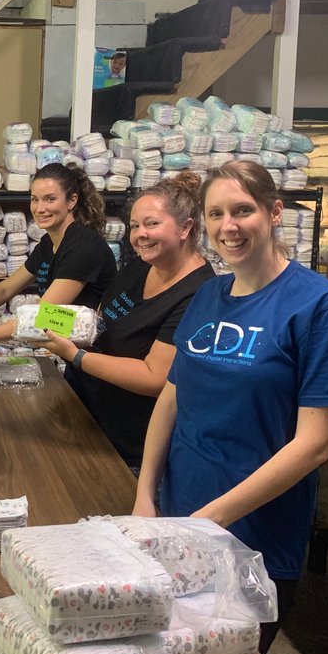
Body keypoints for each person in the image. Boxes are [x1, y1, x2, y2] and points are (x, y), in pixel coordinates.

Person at [134, 162, 328, 654]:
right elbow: (173, 397)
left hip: (254, 537)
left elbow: (315, 444)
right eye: (216, 214)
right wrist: (146, 496)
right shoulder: (209, 294)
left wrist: (206, 522)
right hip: (178, 514)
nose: (228, 226)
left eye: (243, 210)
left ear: (275, 211)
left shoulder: (322, 305)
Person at [34, 172, 214, 469]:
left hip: (131, 446)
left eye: (152, 224)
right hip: (88, 415)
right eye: (134, 225)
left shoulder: (199, 293)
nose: (139, 234)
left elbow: (154, 377)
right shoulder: (142, 265)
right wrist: (43, 321)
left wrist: (74, 355)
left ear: (186, 227)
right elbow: (98, 321)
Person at [0, 162, 117, 357]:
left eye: (50, 199)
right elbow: (6, 288)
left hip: (102, 356)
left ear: (71, 201)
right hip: (78, 352)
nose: (40, 208)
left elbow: (42, 316)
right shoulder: (49, 243)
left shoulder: (83, 247)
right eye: (35, 200)